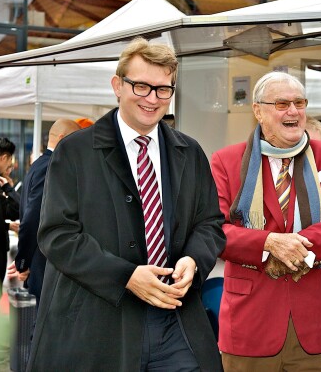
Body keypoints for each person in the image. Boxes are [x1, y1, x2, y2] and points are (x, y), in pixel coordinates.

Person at [27, 37, 226, 371]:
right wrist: (126, 276)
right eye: (141, 86)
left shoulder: (189, 152)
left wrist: (194, 258)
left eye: (163, 89)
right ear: (117, 85)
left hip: (175, 322)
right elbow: (57, 235)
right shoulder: (75, 151)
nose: (152, 99)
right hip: (99, 322)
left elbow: (209, 223)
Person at [211, 71, 321, 371]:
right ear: (258, 111)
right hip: (251, 322)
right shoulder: (226, 161)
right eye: (281, 104)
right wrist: (268, 243)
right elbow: (214, 230)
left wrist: (299, 246)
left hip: (316, 322)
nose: (293, 111)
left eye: (299, 103)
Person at [7, 119, 82, 305]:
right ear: (63, 139)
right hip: (45, 262)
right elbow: (33, 217)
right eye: (77, 140)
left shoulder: (40, 164)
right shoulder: (51, 167)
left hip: (42, 261)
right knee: (46, 326)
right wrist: (23, 261)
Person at [0, 137, 20, 283]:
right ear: (5, 157)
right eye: (10, 162)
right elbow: (15, 210)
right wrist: (8, 187)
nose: (9, 167)